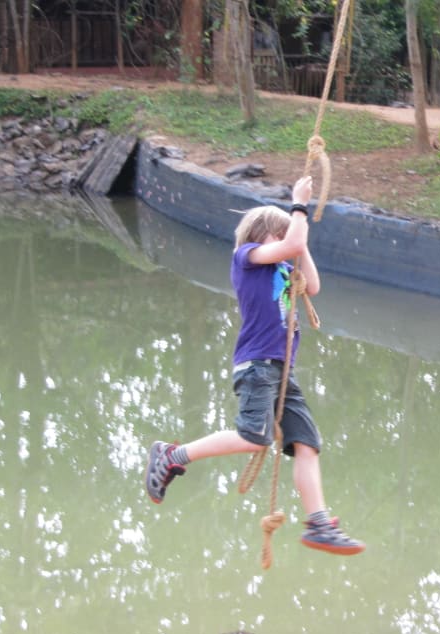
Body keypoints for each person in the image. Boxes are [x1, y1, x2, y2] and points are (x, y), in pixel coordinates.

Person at [144, 176, 365, 556]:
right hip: (258, 366)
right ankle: (171, 456)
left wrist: (299, 239)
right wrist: (299, 206)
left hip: (282, 372)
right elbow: (291, 243)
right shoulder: (246, 258)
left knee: (307, 444)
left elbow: (312, 285)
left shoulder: (283, 270)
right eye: (280, 236)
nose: (287, 244)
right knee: (253, 437)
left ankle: (318, 524)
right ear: (262, 236)